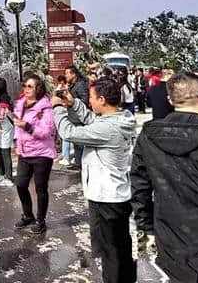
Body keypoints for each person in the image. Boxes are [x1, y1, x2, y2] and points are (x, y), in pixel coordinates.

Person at [131, 71, 198, 283]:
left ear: (170, 100)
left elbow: (140, 187)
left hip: (171, 241)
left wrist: (146, 228)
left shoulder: (148, 135)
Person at [53, 78, 137, 283]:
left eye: (91, 98)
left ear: (102, 99)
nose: (89, 101)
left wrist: (58, 108)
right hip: (115, 195)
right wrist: (74, 104)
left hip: (106, 197)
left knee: (111, 252)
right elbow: (92, 120)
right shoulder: (119, 118)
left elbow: (68, 132)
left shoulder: (108, 129)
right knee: (120, 247)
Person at [12, 74, 56, 234]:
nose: (26, 89)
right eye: (25, 86)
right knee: (20, 184)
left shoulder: (46, 108)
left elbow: (47, 131)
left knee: (40, 188)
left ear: (38, 88)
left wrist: (27, 126)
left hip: (42, 154)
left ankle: (40, 220)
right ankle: (27, 214)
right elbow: (17, 126)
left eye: (30, 86)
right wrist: (17, 142)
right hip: (24, 152)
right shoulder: (21, 104)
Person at [65, 65, 89, 169]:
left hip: (78, 116)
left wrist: (73, 102)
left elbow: (85, 100)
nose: (66, 75)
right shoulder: (72, 85)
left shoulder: (80, 85)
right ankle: (78, 161)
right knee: (76, 142)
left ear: (73, 74)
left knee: (79, 142)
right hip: (73, 115)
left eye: (67, 73)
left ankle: (81, 163)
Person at [56, 75, 72, 166]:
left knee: (66, 135)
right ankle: (66, 155)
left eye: (61, 82)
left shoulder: (66, 89)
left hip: (66, 112)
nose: (60, 84)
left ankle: (66, 157)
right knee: (65, 135)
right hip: (65, 111)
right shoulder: (65, 87)